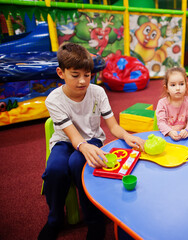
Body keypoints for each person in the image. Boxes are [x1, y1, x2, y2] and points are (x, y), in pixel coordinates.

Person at [39, 42, 145, 240]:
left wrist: (126, 135)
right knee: (55, 169)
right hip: (65, 141)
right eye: (75, 75)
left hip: (92, 139)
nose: (82, 81)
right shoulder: (53, 99)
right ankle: (54, 218)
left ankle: (94, 221)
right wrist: (82, 146)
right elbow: (72, 135)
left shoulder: (98, 92)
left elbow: (113, 126)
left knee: (80, 164)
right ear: (61, 73)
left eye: (87, 75)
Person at [156, 66, 188, 141]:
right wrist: (170, 132)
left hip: (183, 137)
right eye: (173, 85)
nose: (178, 88)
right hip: (167, 136)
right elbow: (161, 122)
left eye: (181, 84)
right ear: (167, 88)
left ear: (186, 86)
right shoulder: (162, 103)